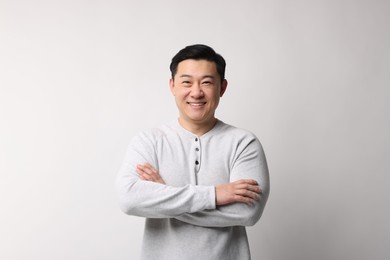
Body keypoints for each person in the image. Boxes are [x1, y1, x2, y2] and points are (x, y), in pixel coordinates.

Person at [116, 44, 270, 260]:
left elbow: (247, 213)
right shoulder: (149, 141)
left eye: (206, 82)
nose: (196, 92)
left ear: (222, 87)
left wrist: (164, 196)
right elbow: (129, 198)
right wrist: (214, 195)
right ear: (172, 86)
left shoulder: (243, 143)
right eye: (186, 82)